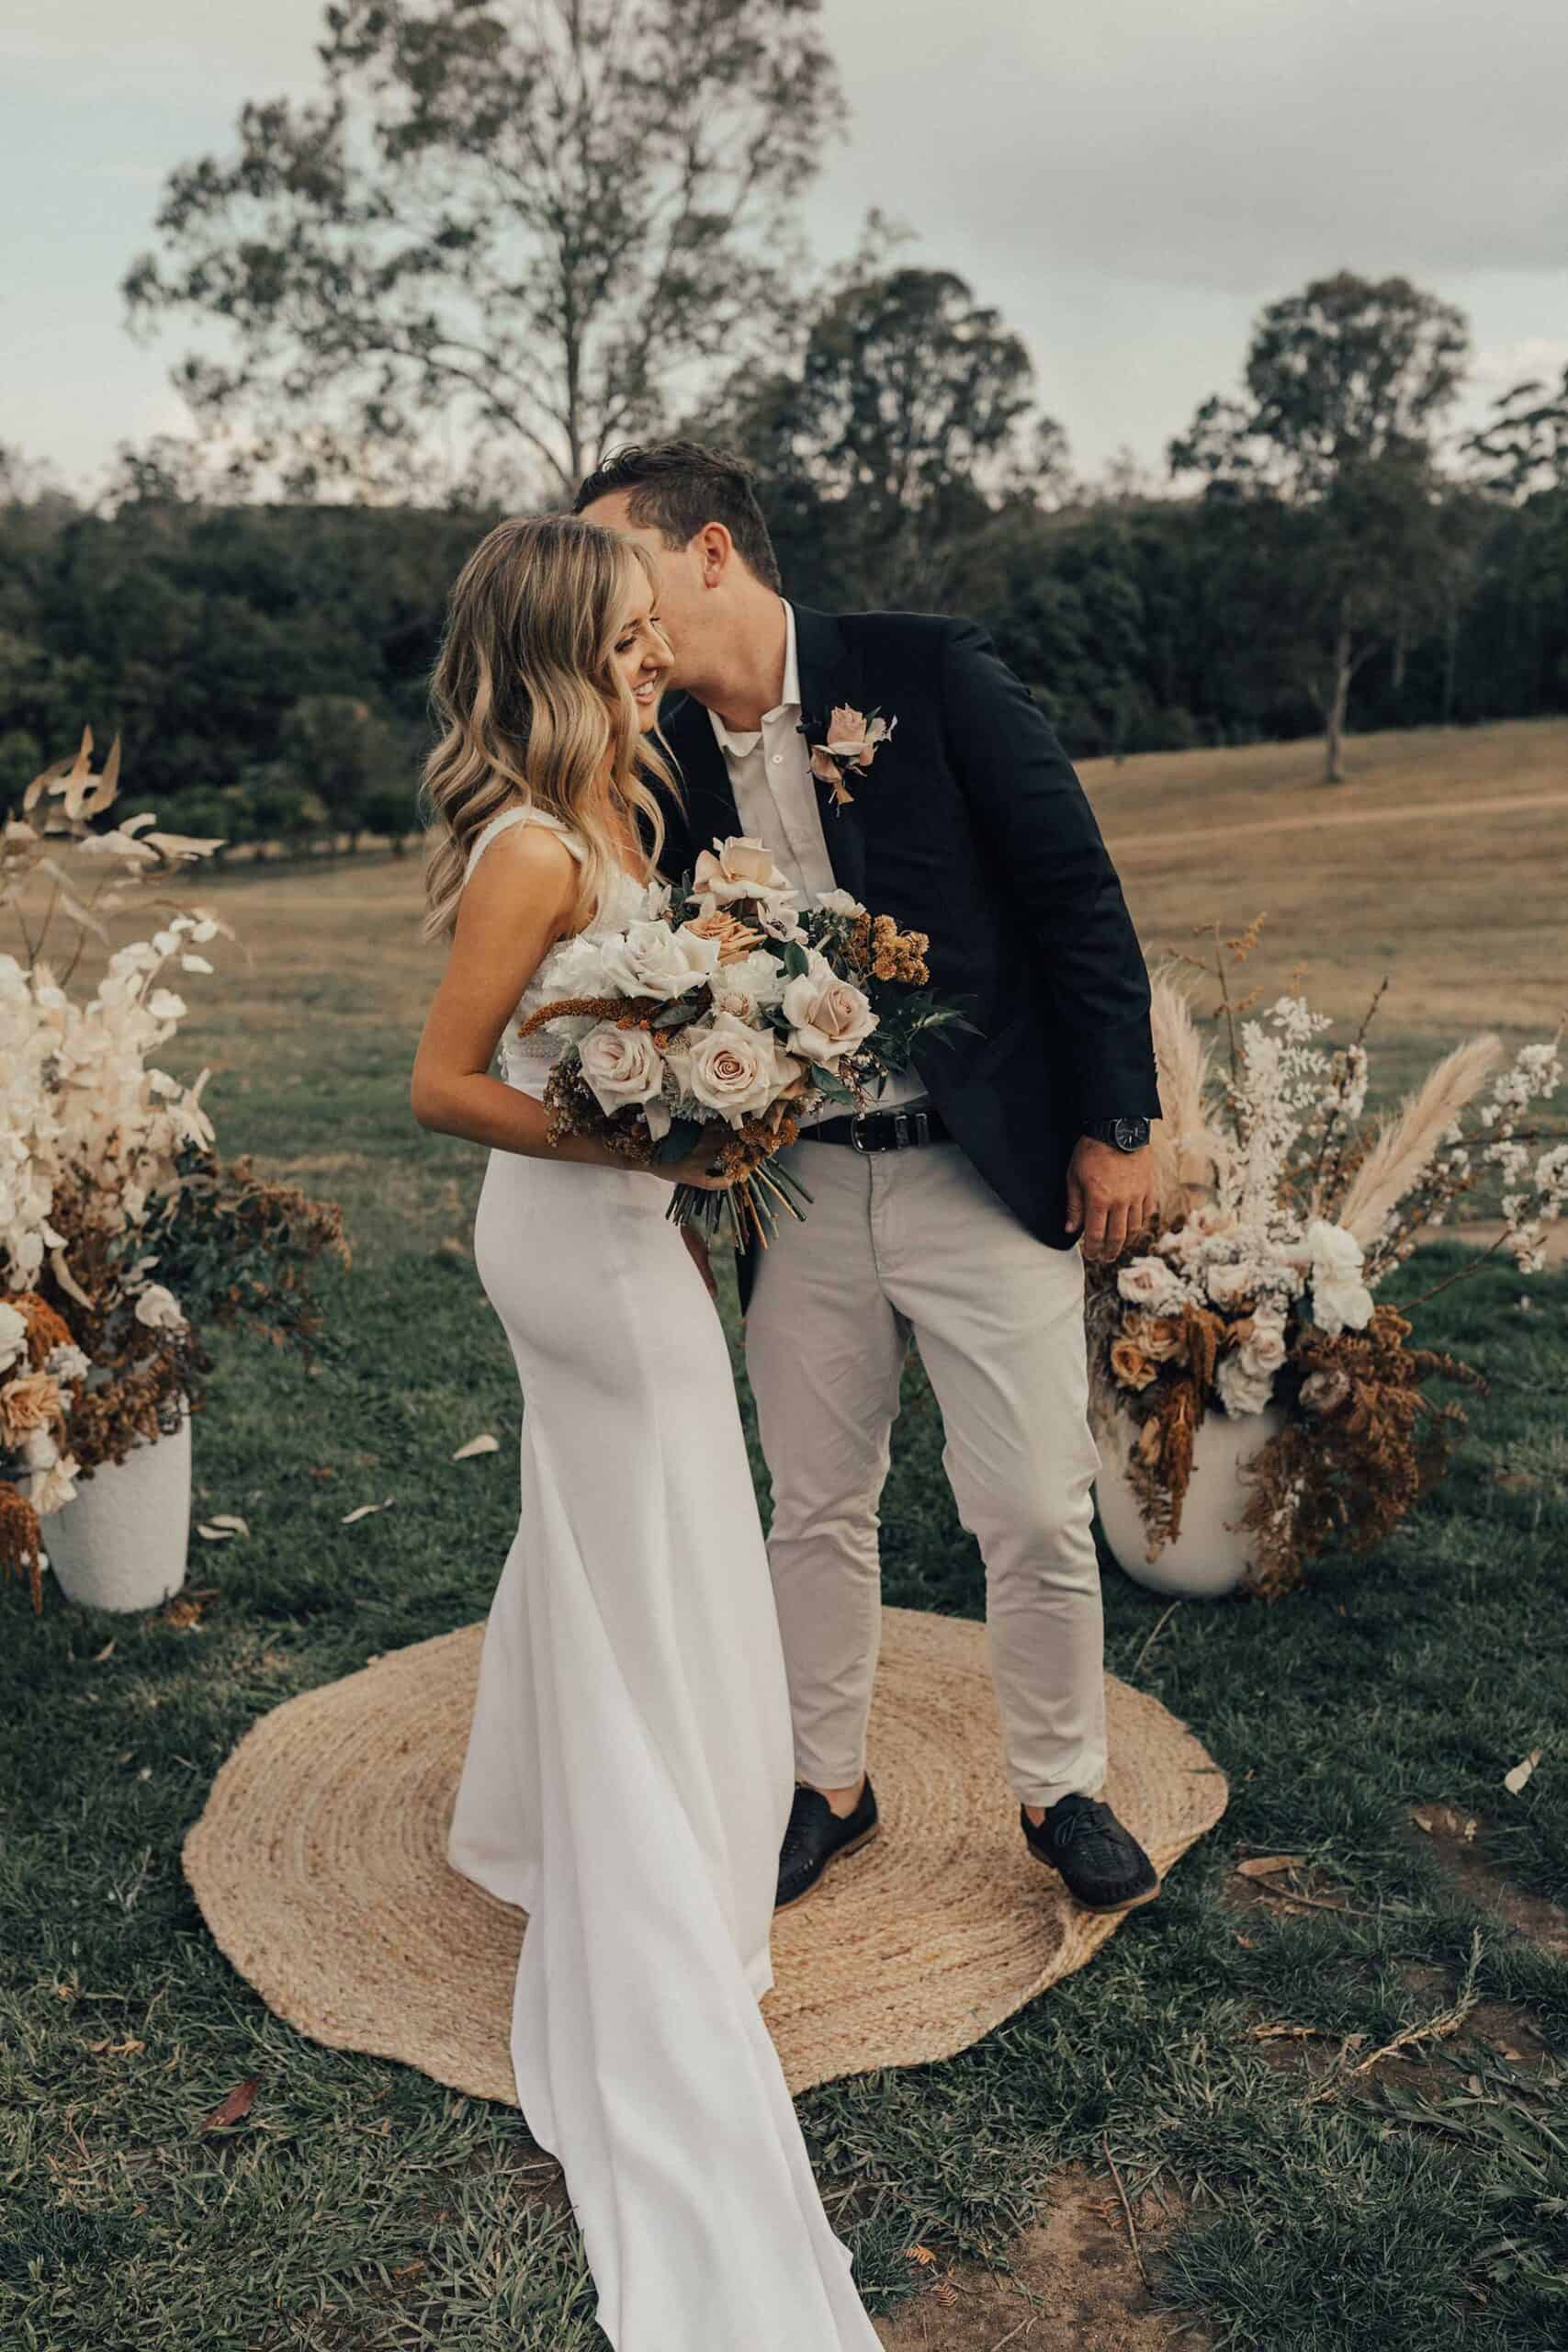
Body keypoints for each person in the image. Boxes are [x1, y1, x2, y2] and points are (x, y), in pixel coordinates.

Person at [576, 443, 1165, 1917]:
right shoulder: (651, 758)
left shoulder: (928, 673)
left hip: (982, 1163)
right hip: (802, 1183)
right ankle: (823, 1783)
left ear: (711, 552)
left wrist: (1119, 1124)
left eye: (621, 572)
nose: (607, 613)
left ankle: (1061, 1788)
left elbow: (1075, 897)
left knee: (1031, 1503)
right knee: (815, 1502)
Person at [410, 514, 883, 2350]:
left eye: (641, 632)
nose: (642, 661)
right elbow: (442, 1081)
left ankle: (575, 1816)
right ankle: (666, 1873)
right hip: (575, 1246)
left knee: (633, 1531)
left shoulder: (620, 817)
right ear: (547, 650)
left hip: (628, 1225)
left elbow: (660, 1011)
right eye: (613, 638)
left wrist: (733, 1052)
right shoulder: (531, 845)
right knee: (672, 1518)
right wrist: (638, 1139)